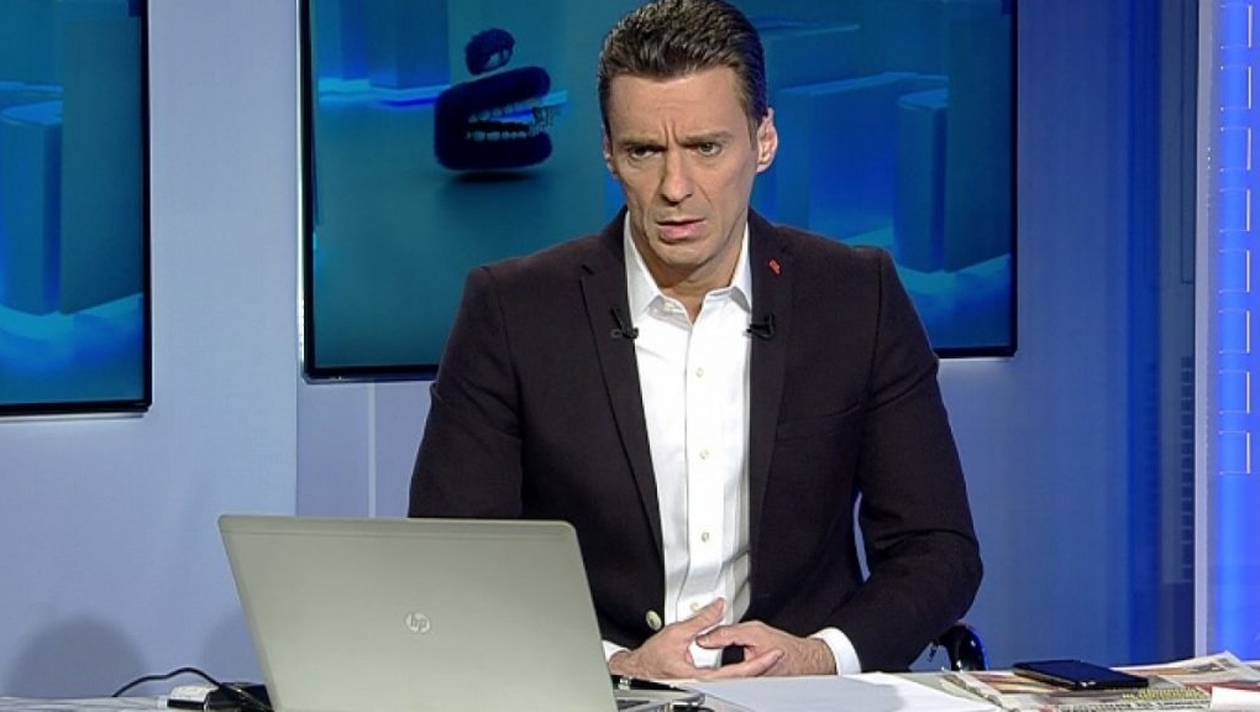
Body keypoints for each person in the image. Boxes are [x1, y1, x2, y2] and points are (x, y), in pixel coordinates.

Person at [410, 0, 982, 680]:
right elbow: (456, 559)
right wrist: (617, 665)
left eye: (706, 148)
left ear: (764, 141)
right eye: (644, 152)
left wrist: (820, 657)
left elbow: (936, 549)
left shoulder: (857, 296)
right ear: (609, 152)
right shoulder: (512, 311)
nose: (674, 188)